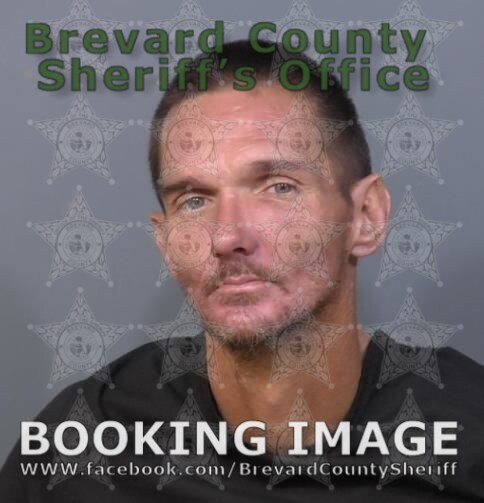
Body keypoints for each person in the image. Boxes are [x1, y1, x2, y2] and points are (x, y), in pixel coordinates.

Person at [1, 40, 483, 502]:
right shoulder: (79, 451)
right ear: (167, 244)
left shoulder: (469, 436)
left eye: (279, 187)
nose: (227, 236)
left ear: (366, 217)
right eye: (194, 201)